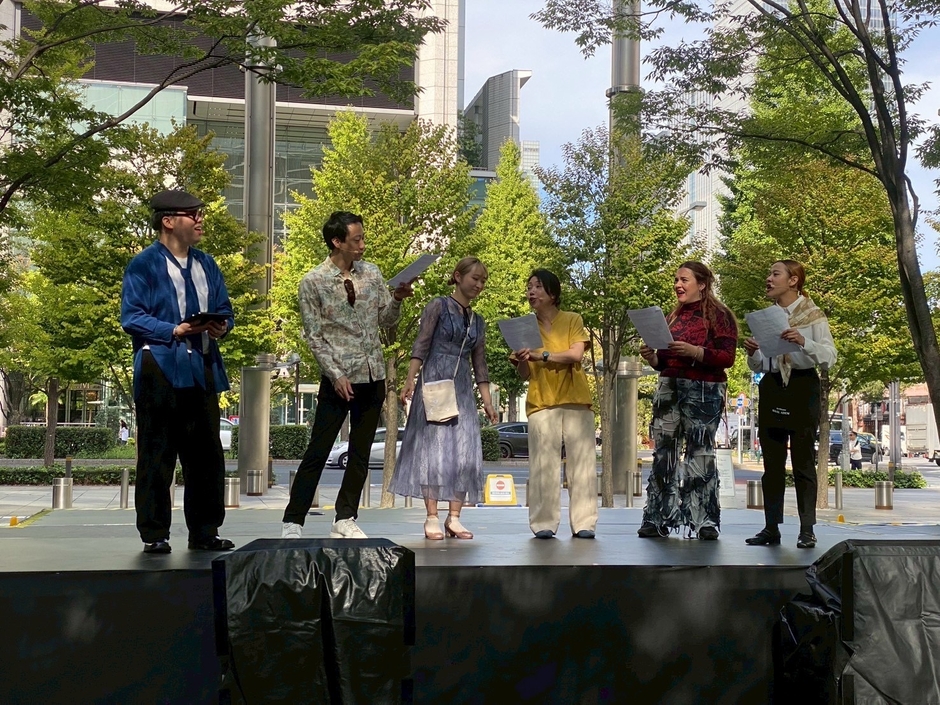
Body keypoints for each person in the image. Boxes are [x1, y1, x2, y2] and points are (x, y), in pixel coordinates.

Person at [281, 211, 414, 539]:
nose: (363, 245)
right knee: (318, 449)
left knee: (360, 452)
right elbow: (313, 336)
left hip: (373, 374)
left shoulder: (372, 273)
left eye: (363, 238)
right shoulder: (313, 281)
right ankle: (293, 521)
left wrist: (397, 299)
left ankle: (345, 517)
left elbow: (386, 320)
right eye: (357, 240)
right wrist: (336, 374)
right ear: (337, 242)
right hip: (338, 379)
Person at [121, 189, 234, 554]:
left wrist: (221, 326)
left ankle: (205, 531)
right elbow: (131, 317)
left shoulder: (207, 264)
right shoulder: (144, 264)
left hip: (202, 366)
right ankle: (154, 533)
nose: (200, 221)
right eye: (193, 215)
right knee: (157, 454)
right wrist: (172, 329)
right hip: (160, 367)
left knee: (207, 456)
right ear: (168, 221)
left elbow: (225, 309)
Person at [388, 257, 498, 540]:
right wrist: (410, 379)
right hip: (435, 383)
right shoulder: (438, 306)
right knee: (433, 451)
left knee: (463, 451)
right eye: (475, 278)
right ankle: (432, 517)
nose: (479, 285)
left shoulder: (478, 321)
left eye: (483, 281)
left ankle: (455, 517)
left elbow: (480, 364)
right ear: (458, 277)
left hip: (461, 389)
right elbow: (421, 344)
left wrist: (487, 400)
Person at [638, 261, 738, 541]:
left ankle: (703, 519)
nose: (677, 285)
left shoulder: (719, 316)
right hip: (669, 388)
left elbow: (727, 357)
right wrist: (652, 357)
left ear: (702, 284)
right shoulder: (672, 316)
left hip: (703, 391)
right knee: (664, 453)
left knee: (699, 453)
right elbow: (663, 361)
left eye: (684, 280)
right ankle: (657, 517)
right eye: (676, 280)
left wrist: (695, 351)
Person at [744, 260, 837, 549]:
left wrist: (803, 342)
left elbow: (830, 357)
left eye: (775, 274)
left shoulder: (813, 315)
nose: (768, 279)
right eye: (768, 273)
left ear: (793, 280)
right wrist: (754, 353)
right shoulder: (768, 317)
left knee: (803, 462)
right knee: (771, 464)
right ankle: (771, 527)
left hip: (802, 385)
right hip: (773, 385)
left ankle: (807, 529)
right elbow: (762, 363)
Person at [511, 269, 596, 539]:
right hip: (541, 401)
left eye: (537, 287)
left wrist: (542, 355)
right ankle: (543, 523)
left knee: (582, 464)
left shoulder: (572, 319)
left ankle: (584, 523)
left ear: (553, 293)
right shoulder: (525, 327)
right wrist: (523, 360)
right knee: (542, 466)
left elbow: (575, 354)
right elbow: (524, 374)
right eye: (529, 287)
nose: (531, 292)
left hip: (576, 400)